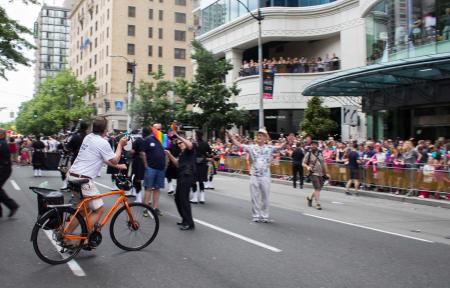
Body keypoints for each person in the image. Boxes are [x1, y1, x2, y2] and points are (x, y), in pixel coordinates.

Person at [67, 117, 128, 233]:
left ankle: (64, 234)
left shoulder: (88, 137)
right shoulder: (102, 142)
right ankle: (78, 241)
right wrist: (120, 145)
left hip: (72, 175)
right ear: (105, 129)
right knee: (99, 210)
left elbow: (101, 157)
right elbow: (114, 159)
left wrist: (118, 166)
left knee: (80, 211)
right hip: (83, 180)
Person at [227, 128, 288, 223]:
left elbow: (280, 147)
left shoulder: (269, 147)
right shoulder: (252, 147)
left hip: (265, 176)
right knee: (254, 196)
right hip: (254, 175)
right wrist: (230, 136)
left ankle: (264, 216)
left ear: (265, 138)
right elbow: (238, 144)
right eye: (258, 135)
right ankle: (256, 215)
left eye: (261, 135)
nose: (259, 137)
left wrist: (287, 141)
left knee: (265, 197)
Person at [165, 133, 196, 230]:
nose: (180, 144)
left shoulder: (189, 150)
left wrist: (178, 136)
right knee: (177, 198)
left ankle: (189, 222)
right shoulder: (181, 154)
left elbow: (190, 145)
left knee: (183, 199)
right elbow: (178, 164)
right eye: (178, 143)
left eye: (181, 142)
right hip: (181, 176)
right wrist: (169, 155)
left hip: (187, 175)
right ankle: (185, 219)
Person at [140, 124, 165, 217]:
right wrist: (146, 165)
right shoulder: (148, 139)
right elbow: (143, 153)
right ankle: (145, 208)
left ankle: (155, 208)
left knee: (157, 188)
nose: (158, 130)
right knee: (148, 188)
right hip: (151, 168)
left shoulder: (163, 139)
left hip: (161, 168)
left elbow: (166, 152)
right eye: (156, 128)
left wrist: (165, 164)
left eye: (159, 129)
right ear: (153, 129)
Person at [303, 141, 330, 210]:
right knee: (317, 188)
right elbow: (303, 163)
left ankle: (309, 198)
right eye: (312, 145)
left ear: (317, 146)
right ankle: (318, 203)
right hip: (313, 173)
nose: (313, 146)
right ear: (310, 146)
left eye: (315, 145)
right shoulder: (308, 154)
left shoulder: (320, 153)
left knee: (318, 189)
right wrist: (307, 167)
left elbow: (324, 163)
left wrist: (326, 173)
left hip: (321, 174)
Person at [0, 129, 19, 217]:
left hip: (4, 168)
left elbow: (5, 157)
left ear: (2, 134)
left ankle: (13, 206)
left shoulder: (2, 143)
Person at [191, 130, 212, 204]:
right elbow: (210, 152)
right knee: (201, 180)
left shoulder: (194, 144)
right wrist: (205, 156)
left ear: (196, 135)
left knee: (193, 180)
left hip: (194, 163)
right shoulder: (205, 143)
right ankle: (202, 198)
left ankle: (195, 197)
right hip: (203, 163)